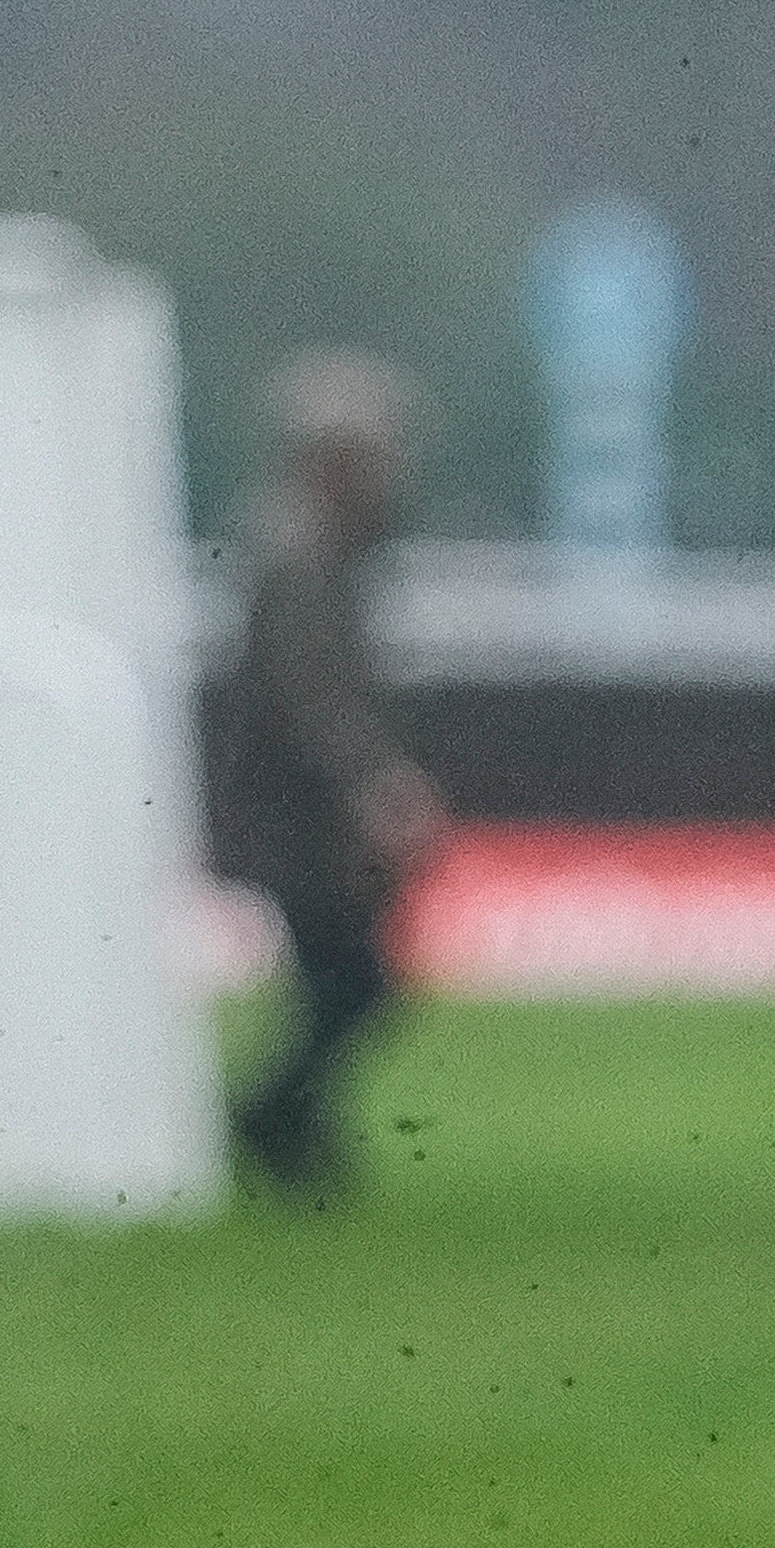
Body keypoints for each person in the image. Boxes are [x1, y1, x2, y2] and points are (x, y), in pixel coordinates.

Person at [217, 354, 447, 1201]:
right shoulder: (302, 558)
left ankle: (290, 1128)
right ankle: (273, 1121)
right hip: (299, 820)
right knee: (354, 981)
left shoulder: (308, 550)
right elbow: (312, 693)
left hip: (295, 815)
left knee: (341, 984)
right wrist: (371, 784)